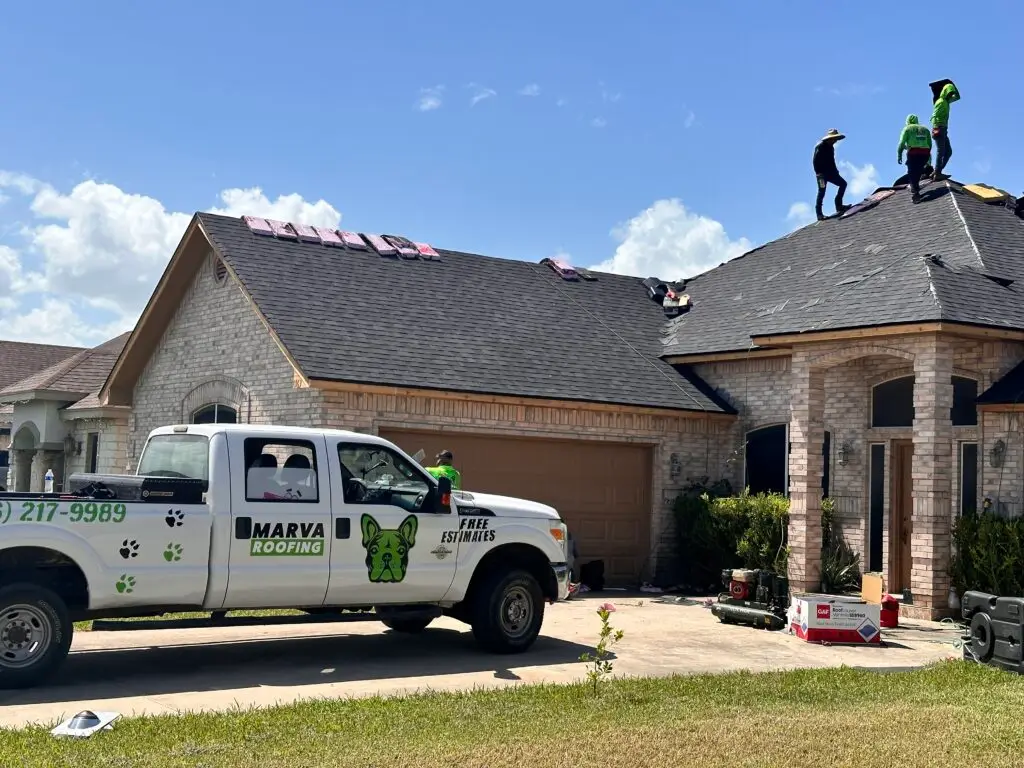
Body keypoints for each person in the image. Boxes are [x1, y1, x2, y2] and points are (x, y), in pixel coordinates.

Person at [812, 129, 851, 221]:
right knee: (821, 192)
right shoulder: (820, 147)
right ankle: (819, 214)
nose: (835, 141)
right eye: (834, 139)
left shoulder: (831, 148)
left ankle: (839, 205)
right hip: (821, 175)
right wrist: (819, 174)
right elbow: (815, 162)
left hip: (831, 173)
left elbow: (831, 161)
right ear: (829, 139)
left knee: (843, 184)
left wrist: (835, 171)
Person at [897, 114, 933, 203]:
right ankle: (927, 170)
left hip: (913, 153)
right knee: (919, 168)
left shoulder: (907, 129)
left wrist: (899, 155)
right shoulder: (925, 129)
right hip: (925, 153)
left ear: (907, 121)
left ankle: (915, 193)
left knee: (912, 173)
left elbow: (901, 143)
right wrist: (928, 160)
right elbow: (929, 145)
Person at [930, 81, 960, 180]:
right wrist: (935, 128)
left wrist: (953, 86)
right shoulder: (941, 101)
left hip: (943, 129)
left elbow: (957, 97)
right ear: (945, 92)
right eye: (949, 93)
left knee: (948, 152)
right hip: (939, 129)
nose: (951, 95)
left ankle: (937, 171)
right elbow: (934, 115)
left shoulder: (946, 101)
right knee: (941, 151)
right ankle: (937, 173)